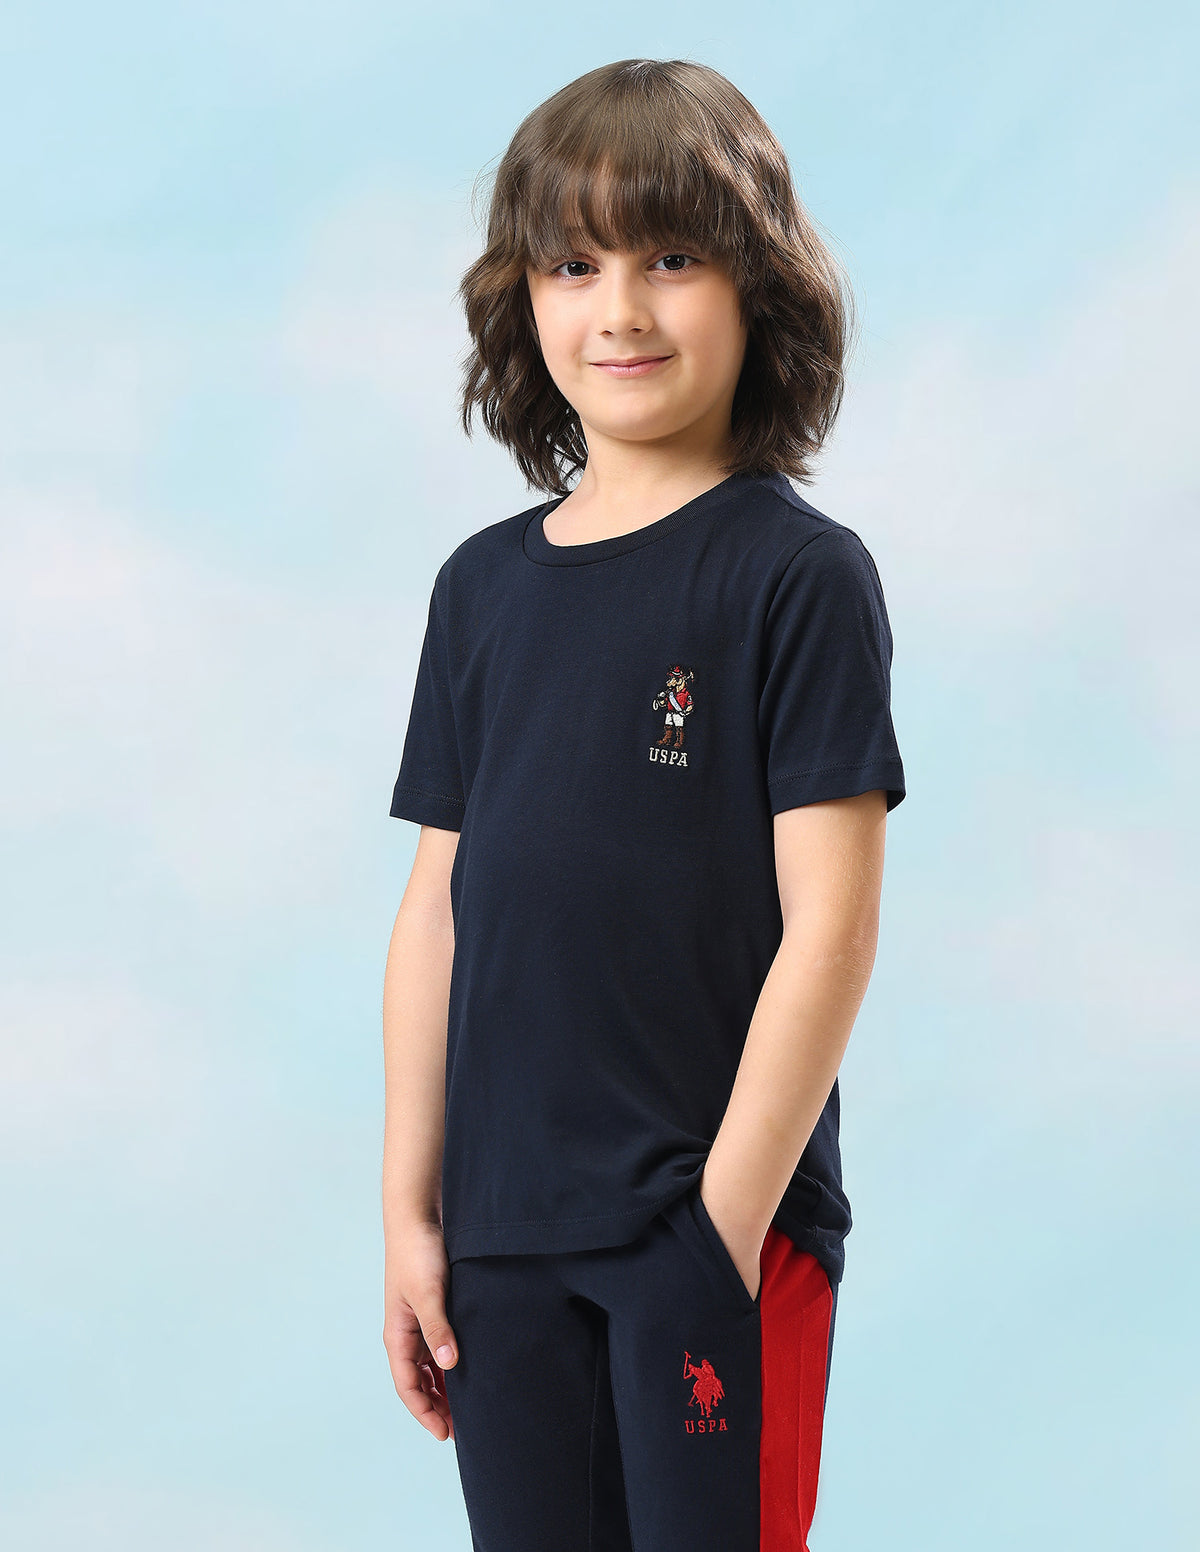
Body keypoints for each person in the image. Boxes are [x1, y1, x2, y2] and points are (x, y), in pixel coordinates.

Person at [381, 57, 906, 1552]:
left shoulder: (797, 577)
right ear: (524, 301)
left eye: (670, 258)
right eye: (574, 264)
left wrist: (720, 1229)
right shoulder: (479, 591)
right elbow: (438, 914)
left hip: (706, 1229)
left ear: (757, 288)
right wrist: (412, 1212)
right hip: (502, 1245)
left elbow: (832, 931)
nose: (620, 308)